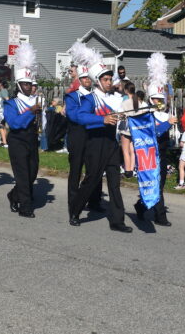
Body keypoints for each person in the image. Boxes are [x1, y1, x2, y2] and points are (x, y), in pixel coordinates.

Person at [68, 57, 131, 233]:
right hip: (95, 144)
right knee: (91, 180)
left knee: (114, 184)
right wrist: (102, 119)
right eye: (105, 79)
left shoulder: (116, 98)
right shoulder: (90, 99)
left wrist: (122, 117)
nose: (109, 82)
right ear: (98, 81)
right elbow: (81, 116)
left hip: (111, 143)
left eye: (110, 79)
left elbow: (121, 115)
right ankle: (75, 211)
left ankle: (117, 221)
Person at [132, 52, 177, 226]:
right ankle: (160, 216)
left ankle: (141, 206)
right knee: (156, 184)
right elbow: (153, 133)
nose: (159, 102)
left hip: (162, 153)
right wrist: (167, 124)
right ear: (151, 99)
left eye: (161, 99)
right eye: (156, 99)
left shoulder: (165, 114)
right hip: (150, 155)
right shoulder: (147, 115)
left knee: (159, 184)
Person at [65, 42, 104, 214]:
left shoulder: (97, 95)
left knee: (94, 170)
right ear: (80, 79)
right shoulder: (72, 96)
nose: (88, 80)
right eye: (85, 78)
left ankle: (94, 201)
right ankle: (73, 204)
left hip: (94, 136)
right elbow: (74, 116)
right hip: (77, 136)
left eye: (89, 78)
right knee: (76, 171)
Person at [3, 43, 41, 218]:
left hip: (32, 138)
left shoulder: (35, 101)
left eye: (29, 83)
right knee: (23, 175)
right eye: (24, 84)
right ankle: (25, 208)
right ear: (18, 85)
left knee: (32, 173)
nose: (28, 86)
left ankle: (14, 195)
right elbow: (15, 123)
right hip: (17, 139)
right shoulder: (11, 103)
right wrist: (30, 112)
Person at [119, 81, 139, 177]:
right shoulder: (138, 102)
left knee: (125, 150)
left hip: (126, 128)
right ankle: (132, 168)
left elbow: (121, 115)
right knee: (132, 150)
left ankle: (127, 170)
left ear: (126, 90)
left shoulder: (125, 102)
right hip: (135, 128)